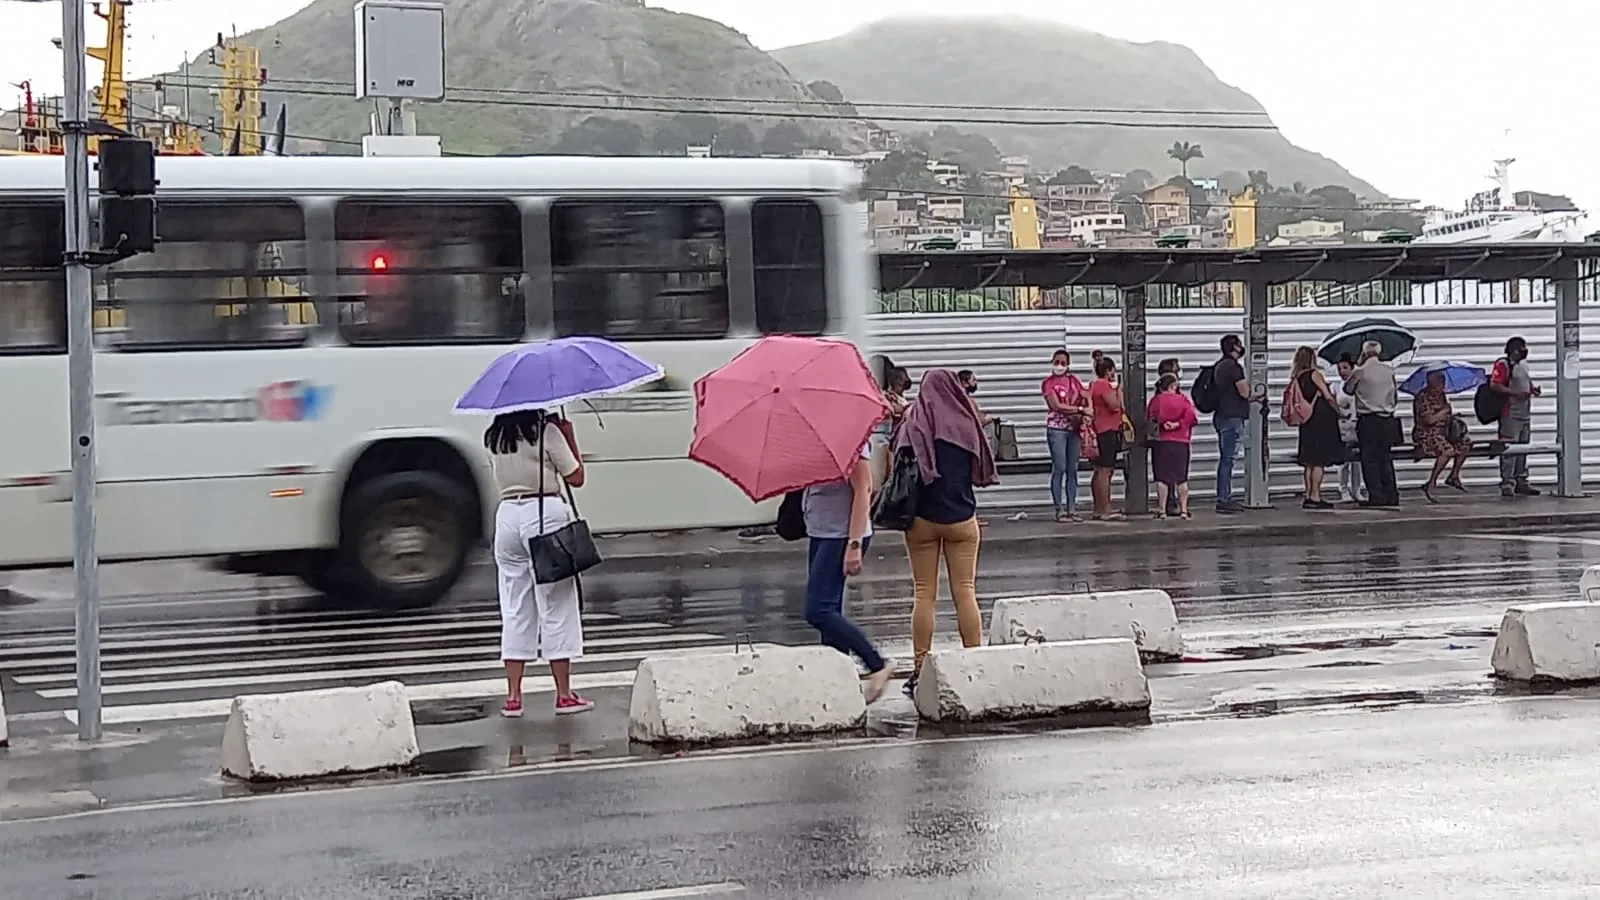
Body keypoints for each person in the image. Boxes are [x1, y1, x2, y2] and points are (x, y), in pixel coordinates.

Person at [895, 368, 999, 695]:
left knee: (924, 592)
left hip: (921, 520)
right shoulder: (966, 423)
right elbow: (980, 464)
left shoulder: (912, 426)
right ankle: (974, 659)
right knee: (965, 591)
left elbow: (895, 467)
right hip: (962, 519)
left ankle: (919, 666)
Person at [486, 409, 592, 718]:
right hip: (544, 514)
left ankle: (513, 697)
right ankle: (563, 694)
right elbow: (576, 477)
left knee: (516, 606)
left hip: (507, 518)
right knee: (556, 605)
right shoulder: (546, 431)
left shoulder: (495, 437)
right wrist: (569, 435)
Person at [803, 437, 892, 704]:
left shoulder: (849, 438)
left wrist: (853, 544)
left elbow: (864, 489)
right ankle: (839, 683)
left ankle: (876, 663)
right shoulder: (817, 437)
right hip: (822, 531)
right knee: (830, 611)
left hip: (842, 535)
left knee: (818, 611)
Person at [1342, 340, 1401, 508]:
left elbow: (1347, 390)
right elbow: (1394, 396)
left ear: (1364, 353)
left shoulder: (1360, 371)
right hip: (1387, 419)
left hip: (1368, 420)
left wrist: (1359, 366)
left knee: (1370, 459)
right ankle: (1392, 494)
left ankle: (1376, 495)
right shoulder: (1389, 371)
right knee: (1385, 457)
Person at [1289, 346, 1342, 510]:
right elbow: (1327, 396)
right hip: (1320, 421)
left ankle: (1308, 494)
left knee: (1309, 462)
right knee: (1319, 461)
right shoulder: (1315, 375)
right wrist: (1339, 411)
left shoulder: (1296, 377)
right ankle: (1316, 496)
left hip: (1306, 421)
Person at [1490, 336, 1541, 498]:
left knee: (1523, 449)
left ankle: (1521, 481)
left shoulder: (1524, 366)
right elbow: (1495, 385)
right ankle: (1507, 482)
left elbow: (1526, 383)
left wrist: (1533, 390)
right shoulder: (1503, 364)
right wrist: (1515, 394)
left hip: (1524, 412)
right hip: (1509, 413)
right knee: (1509, 449)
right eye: (1521, 349)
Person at [1041, 349, 1089, 522]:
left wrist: (1087, 408)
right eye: (1056, 362)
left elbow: (1086, 394)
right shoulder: (1048, 383)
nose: (1059, 365)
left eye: (1063, 362)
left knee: (1073, 469)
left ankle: (1071, 509)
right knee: (1059, 467)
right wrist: (1081, 409)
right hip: (1057, 428)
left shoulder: (1073, 380)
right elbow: (1056, 406)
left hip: (1074, 429)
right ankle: (1059, 509)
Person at [1412, 369, 1471, 503]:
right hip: (1427, 434)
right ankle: (1431, 482)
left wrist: (1452, 417)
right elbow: (1428, 420)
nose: (1442, 384)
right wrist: (1444, 411)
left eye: (1443, 381)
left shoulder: (1442, 396)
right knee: (1447, 451)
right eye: (1440, 381)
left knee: (1465, 442)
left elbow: (1446, 414)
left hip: (1443, 432)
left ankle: (1454, 475)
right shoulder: (1422, 397)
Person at [1145, 373, 1197, 520]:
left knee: (1162, 477)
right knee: (1181, 478)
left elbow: (1149, 419)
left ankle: (1162, 510)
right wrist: (1177, 424)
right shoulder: (1183, 400)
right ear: (1172, 386)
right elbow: (1192, 417)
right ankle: (1184, 511)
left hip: (1162, 442)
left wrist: (1164, 424)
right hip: (1181, 442)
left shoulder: (1156, 401)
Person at [1209, 335, 1251, 514]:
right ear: (1234, 347)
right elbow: (1244, 392)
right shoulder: (1234, 367)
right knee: (1228, 460)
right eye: (1239, 344)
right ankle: (1224, 498)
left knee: (1225, 459)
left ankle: (1224, 496)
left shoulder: (1219, 366)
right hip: (1233, 417)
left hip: (1221, 416)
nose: (1242, 348)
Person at [1088, 354, 1125, 521]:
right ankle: (1105, 508)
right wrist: (1119, 391)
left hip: (1099, 429)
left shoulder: (1093, 385)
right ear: (1109, 371)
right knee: (1106, 471)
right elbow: (1115, 405)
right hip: (1107, 430)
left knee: (1098, 471)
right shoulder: (1104, 386)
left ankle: (1098, 507)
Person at [871, 364, 912, 491]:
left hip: (893, 442)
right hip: (884, 441)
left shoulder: (897, 397)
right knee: (882, 479)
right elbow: (894, 410)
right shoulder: (887, 396)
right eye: (899, 379)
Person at [1332, 356, 1366, 504]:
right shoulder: (1335, 387)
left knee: (1357, 461)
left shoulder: (1359, 384)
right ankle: (1343, 488)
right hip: (1342, 426)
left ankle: (1357, 489)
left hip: (1357, 425)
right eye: (1339, 368)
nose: (1342, 371)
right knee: (1344, 461)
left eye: (1345, 368)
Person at [1156, 358, 1183, 516]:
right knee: (1175, 472)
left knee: (1165, 472)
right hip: (1177, 438)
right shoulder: (1173, 392)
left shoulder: (1159, 392)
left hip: (1164, 437)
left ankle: (1166, 504)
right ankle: (1173, 503)